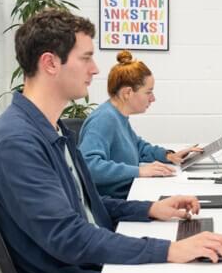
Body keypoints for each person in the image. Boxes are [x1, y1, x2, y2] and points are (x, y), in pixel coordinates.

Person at [0, 9, 222, 273]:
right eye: (86, 57)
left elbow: (90, 209)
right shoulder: (18, 141)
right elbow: (70, 237)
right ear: (50, 63)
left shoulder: (52, 129)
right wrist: (168, 251)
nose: (95, 70)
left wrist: (149, 208)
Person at [79, 50, 201, 199]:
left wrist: (169, 155)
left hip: (131, 193)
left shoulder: (118, 116)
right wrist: (139, 171)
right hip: (115, 204)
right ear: (127, 93)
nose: (153, 98)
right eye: (148, 92)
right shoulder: (104, 119)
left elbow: (138, 147)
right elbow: (89, 167)